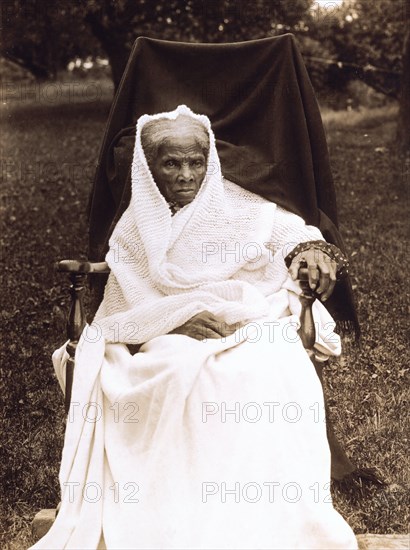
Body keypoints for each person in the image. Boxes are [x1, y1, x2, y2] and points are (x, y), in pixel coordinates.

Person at [32, 105, 358, 549]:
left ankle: (256, 511)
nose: (187, 174)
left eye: (196, 162)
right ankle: (175, 509)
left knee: (263, 367)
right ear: (150, 167)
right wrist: (174, 319)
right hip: (163, 334)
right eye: (172, 163)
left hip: (244, 318)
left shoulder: (234, 202)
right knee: (169, 372)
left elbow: (288, 230)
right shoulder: (135, 225)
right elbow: (126, 306)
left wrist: (311, 249)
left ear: (209, 161)